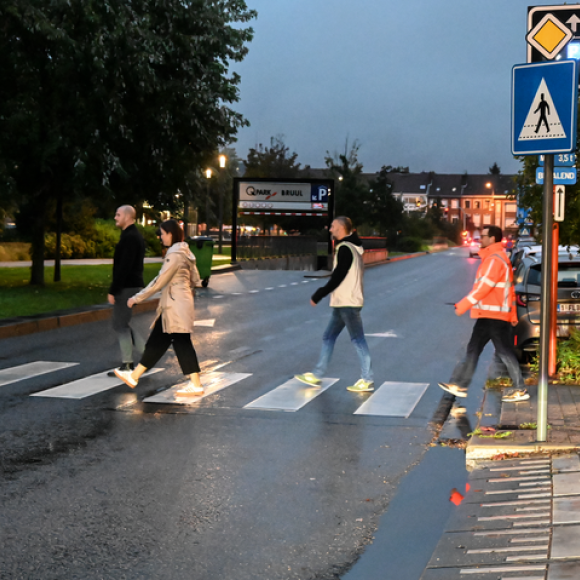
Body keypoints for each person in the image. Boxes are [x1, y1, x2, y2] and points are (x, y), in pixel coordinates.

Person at [439, 225, 529, 403]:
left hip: (493, 316)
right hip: (490, 315)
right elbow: (510, 291)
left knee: (502, 352)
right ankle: (460, 385)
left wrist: (463, 305)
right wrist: (511, 315)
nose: (481, 239)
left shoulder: (494, 260)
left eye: (483, 236)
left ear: (493, 239)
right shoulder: (497, 258)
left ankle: (520, 388)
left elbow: (483, 288)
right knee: (475, 349)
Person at [114, 219, 204, 396]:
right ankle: (134, 376)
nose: (160, 237)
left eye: (162, 234)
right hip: (176, 304)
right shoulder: (186, 252)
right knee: (158, 340)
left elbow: (158, 281)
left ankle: (196, 385)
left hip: (174, 306)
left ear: (170, 234)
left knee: (181, 343)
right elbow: (195, 279)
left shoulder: (175, 254)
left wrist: (136, 298)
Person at [295, 216, 374, 392]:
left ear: (341, 228)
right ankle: (317, 374)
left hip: (348, 302)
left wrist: (319, 294)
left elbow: (338, 276)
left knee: (357, 339)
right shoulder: (353, 247)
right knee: (328, 337)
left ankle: (367, 379)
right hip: (342, 303)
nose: (330, 229)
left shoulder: (346, 248)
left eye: (332, 227)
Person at [107, 205, 146, 376]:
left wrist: (114, 290)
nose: (115, 217)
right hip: (131, 285)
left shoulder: (130, 238)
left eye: (118, 214)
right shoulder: (131, 236)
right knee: (122, 323)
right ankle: (145, 356)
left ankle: (128, 363)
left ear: (128, 217)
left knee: (120, 324)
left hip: (127, 286)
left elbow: (124, 267)